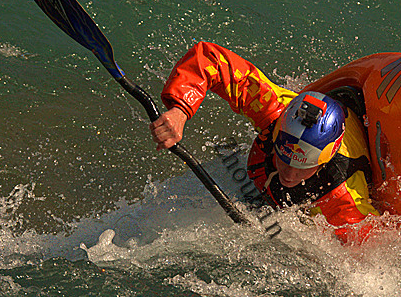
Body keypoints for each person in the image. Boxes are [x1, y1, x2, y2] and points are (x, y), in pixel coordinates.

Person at [150, 41, 379, 243]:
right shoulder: (273, 109)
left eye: (302, 167)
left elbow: (371, 258)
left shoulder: (342, 197)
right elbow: (211, 58)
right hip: (260, 182)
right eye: (284, 157)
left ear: (324, 160)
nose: (288, 174)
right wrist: (180, 109)